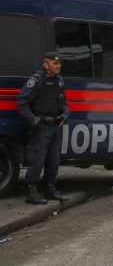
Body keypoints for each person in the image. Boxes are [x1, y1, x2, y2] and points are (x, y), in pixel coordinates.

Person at [16, 51, 70, 205]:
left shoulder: (59, 81)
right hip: (41, 127)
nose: (58, 66)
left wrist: (65, 115)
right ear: (46, 65)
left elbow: (64, 103)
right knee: (37, 159)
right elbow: (21, 100)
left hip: (55, 126)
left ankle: (50, 189)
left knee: (54, 159)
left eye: (59, 63)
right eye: (55, 63)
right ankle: (32, 193)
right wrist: (33, 121)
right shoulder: (37, 80)